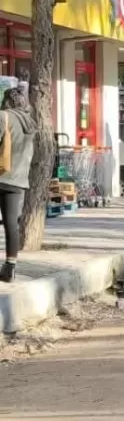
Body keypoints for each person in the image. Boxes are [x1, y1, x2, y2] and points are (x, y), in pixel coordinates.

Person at [0, 86, 36, 283]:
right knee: (11, 223)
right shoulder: (30, 123)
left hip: (1, 174)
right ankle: (10, 268)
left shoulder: (3, 117)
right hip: (19, 179)